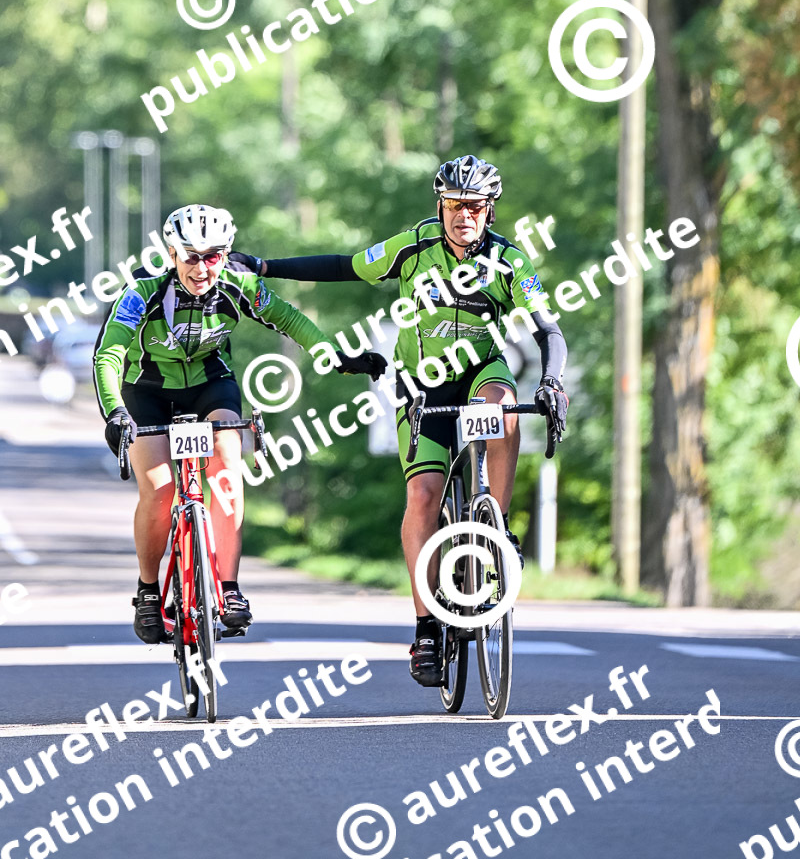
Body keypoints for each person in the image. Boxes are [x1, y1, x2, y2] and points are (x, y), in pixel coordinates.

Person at [235, 154, 569, 688]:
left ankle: (497, 530)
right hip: (422, 382)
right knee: (423, 496)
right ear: (440, 206)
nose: (464, 215)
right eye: (455, 205)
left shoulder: (509, 261)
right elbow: (345, 266)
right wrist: (266, 267)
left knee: (501, 408)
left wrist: (551, 381)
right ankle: (426, 627)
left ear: (489, 211)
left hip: (481, 369)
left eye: (475, 206)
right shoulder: (413, 247)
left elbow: (547, 330)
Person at [93, 202, 382, 644]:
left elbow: (289, 319)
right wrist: (115, 411)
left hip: (210, 384)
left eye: (212, 257)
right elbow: (109, 355)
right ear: (172, 254)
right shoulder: (142, 291)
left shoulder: (239, 284)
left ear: (225, 255)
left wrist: (336, 356)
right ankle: (148, 592)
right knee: (161, 489)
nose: (202, 268)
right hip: (145, 390)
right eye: (191, 256)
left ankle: (228, 588)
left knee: (227, 467)